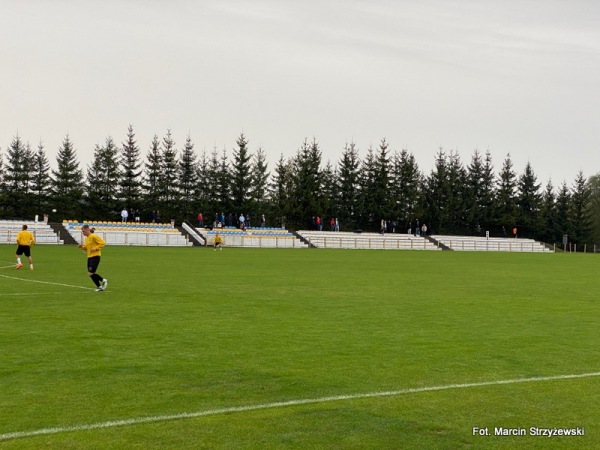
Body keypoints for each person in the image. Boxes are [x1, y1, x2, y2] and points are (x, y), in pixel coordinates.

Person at [79, 224, 108, 292]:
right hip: (89, 257)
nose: (83, 233)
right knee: (90, 274)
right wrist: (81, 247)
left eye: (83, 231)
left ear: (87, 230)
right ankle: (99, 287)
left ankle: (103, 280)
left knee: (91, 273)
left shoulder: (93, 236)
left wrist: (96, 248)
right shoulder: (87, 238)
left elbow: (103, 243)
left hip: (95, 256)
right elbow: (86, 248)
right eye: (82, 231)